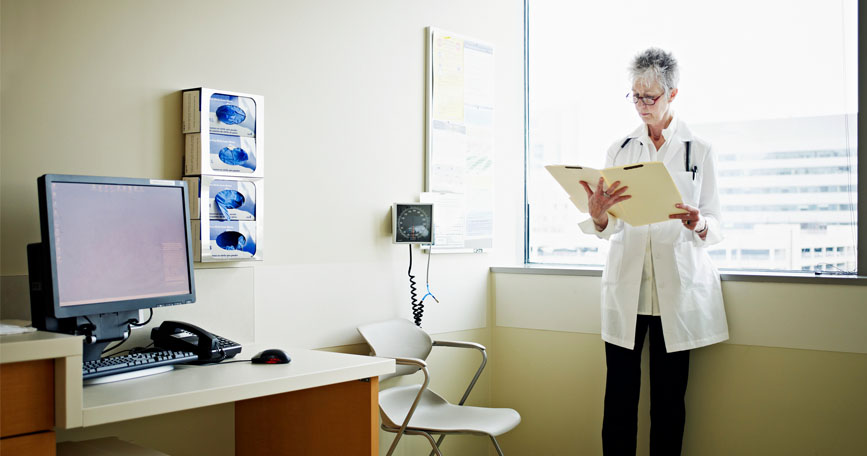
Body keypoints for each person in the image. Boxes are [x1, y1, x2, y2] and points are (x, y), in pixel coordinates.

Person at [578, 48, 729, 455]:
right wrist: (598, 217)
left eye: (651, 97)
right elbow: (610, 228)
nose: (642, 106)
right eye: (636, 96)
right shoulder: (620, 148)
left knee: (668, 403)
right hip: (628, 286)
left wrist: (698, 222)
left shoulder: (700, 150)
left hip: (674, 294)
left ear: (672, 95)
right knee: (619, 403)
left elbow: (716, 223)